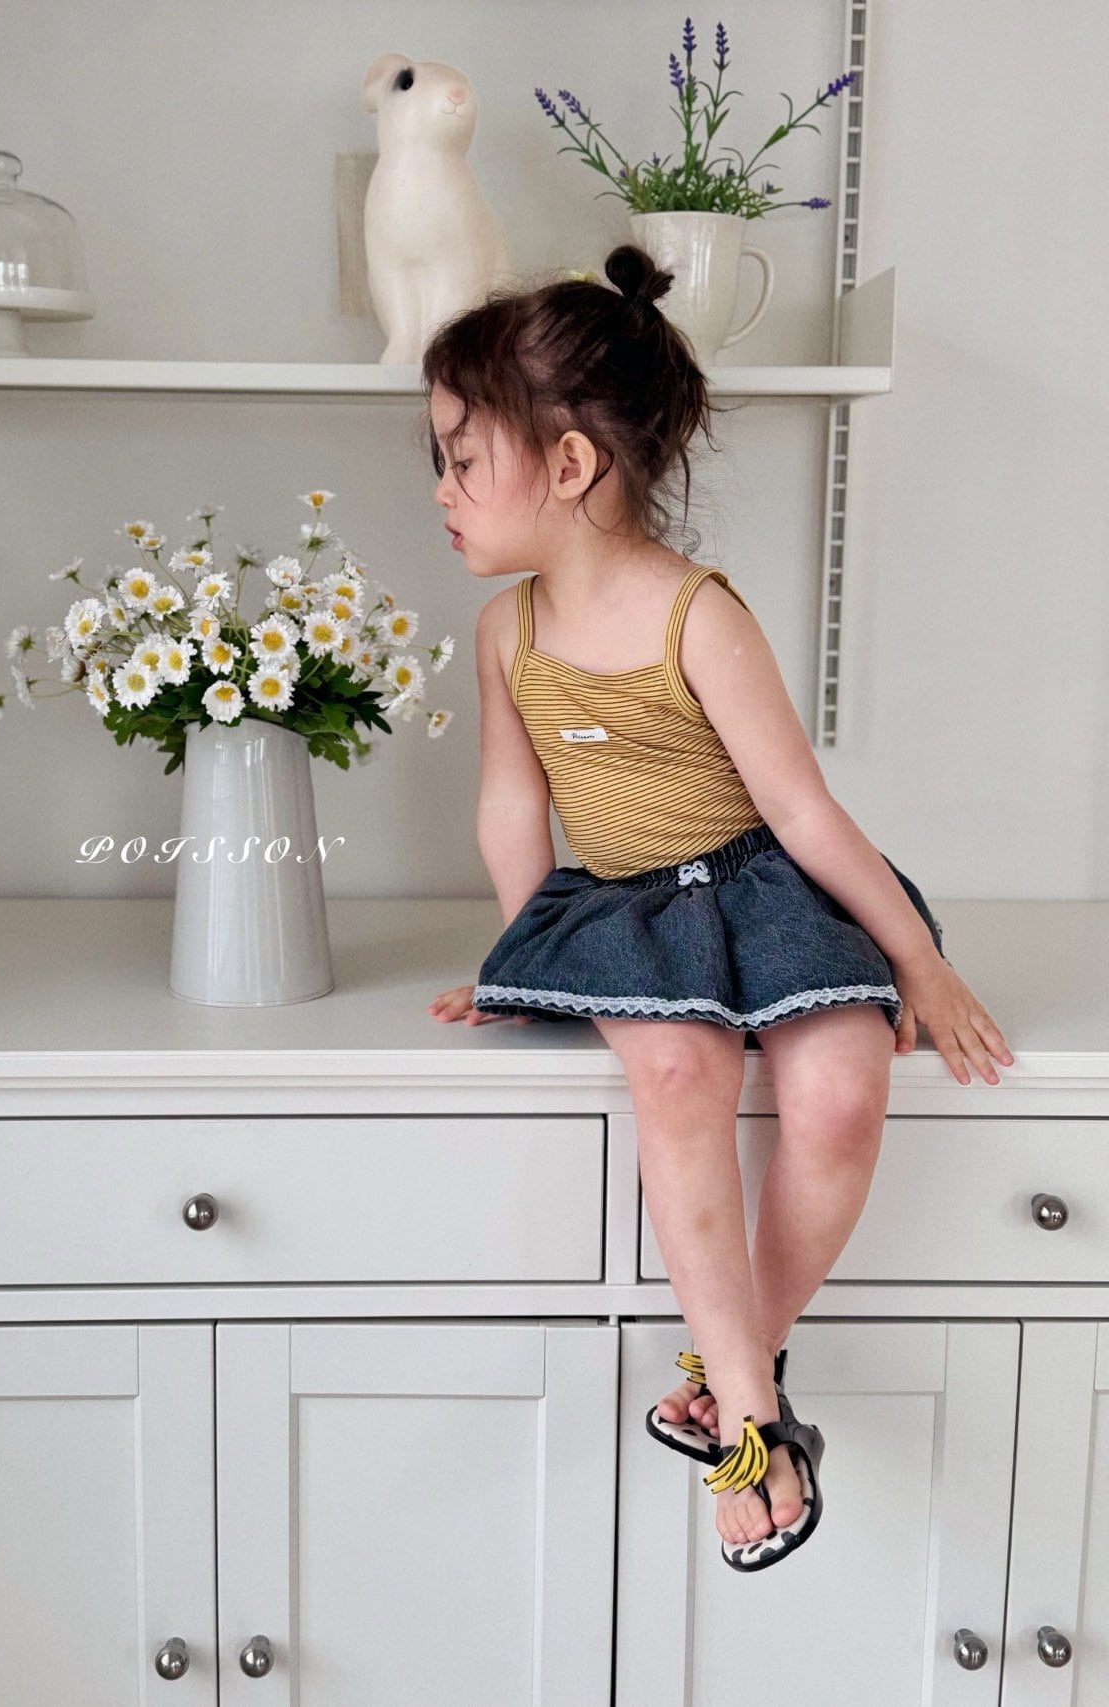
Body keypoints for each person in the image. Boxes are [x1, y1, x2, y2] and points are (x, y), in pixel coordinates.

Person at [421, 242, 1014, 1572]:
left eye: (461, 459)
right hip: (624, 910)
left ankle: (723, 1359)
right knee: (683, 1071)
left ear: (570, 465)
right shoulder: (506, 633)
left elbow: (803, 812)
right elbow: (513, 808)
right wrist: (532, 957)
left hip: (762, 889)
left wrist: (919, 963)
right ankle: (753, 1421)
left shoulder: (698, 615)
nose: (442, 491)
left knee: (843, 1092)